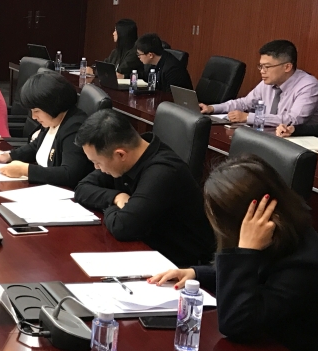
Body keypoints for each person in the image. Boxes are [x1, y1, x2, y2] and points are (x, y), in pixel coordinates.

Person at [149, 155, 318, 351]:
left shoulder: (304, 265)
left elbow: (235, 323)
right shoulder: (282, 236)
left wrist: (246, 250)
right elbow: (255, 278)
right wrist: (196, 273)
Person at [74, 109, 215, 266]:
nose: (96, 168)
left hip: (181, 263)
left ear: (120, 154)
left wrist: (110, 208)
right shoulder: (127, 157)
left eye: (98, 163)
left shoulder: (163, 172)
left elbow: (123, 227)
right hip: (146, 250)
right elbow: (81, 188)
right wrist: (116, 197)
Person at [0, 70, 90, 187]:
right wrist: (9, 155)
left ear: (52, 105)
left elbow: (69, 174)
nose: (34, 117)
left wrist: (26, 170)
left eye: (36, 111)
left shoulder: (75, 127)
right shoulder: (53, 118)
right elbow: (36, 146)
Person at [200, 40, 318, 127]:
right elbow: (244, 103)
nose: (262, 71)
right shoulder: (269, 82)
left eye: (267, 67)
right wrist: (212, 108)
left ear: (287, 67)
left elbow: (293, 120)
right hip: (269, 136)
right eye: (261, 66)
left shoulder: (309, 86)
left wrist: (248, 117)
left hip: (298, 145)